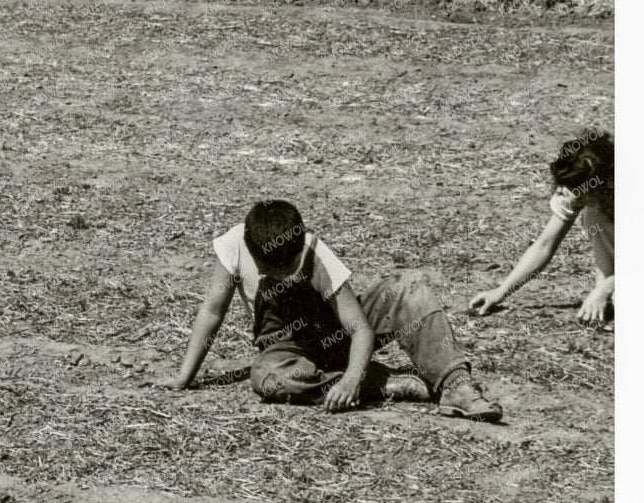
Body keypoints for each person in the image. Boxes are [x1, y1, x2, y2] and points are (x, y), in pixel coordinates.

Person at [167, 198, 502, 421]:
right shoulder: (231, 248)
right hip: (290, 351)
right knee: (266, 378)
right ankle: (383, 384)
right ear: (256, 256)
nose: (286, 277)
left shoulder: (316, 252)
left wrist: (351, 377)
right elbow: (212, 313)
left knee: (410, 287)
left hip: (340, 334)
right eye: (275, 272)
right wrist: (184, 377)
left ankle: (456, 384)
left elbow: (359, 328)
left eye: (293, 268)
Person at [470, 128, 613, 327]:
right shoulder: (579, 193)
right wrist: (500, 292)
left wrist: (606, 289)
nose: (566, 193)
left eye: (576, 190)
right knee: (594, 215)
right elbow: (544, 245)